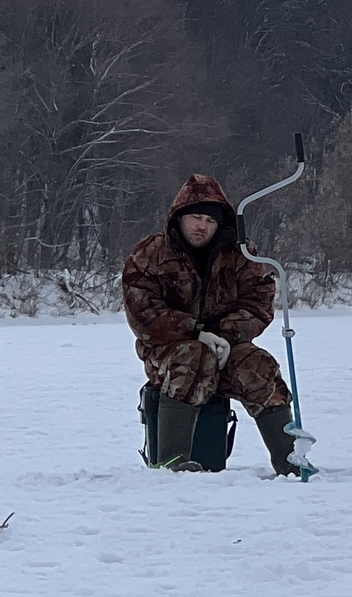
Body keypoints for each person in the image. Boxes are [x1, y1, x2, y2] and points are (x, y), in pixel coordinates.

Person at [122, 174, 300, 475]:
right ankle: (171, 461)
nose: (201, 225)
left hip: (227, 346)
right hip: (167, 353)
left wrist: (226, 336)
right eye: (195, 217)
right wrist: (196, 331)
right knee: (193, 357)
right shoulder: (150, 253)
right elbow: (143, 312)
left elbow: (258, 302)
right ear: (179, 217)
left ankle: (291, 461)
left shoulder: (242, 253)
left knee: (259, 365)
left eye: (209, 219)